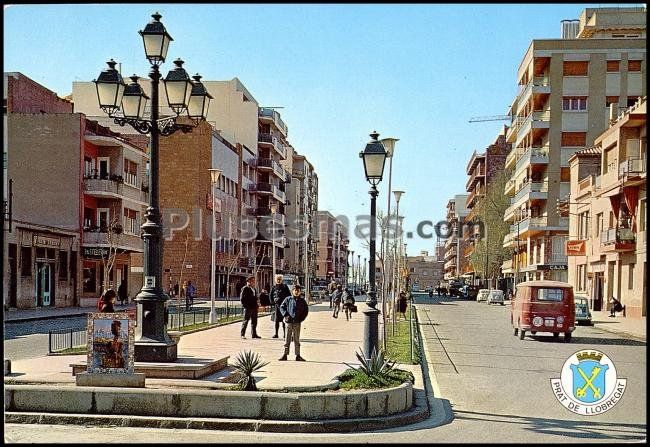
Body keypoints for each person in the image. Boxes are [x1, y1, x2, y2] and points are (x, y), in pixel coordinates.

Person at [278, 284, 309, 361]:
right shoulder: (288, 299)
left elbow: (306, 311)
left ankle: (298, 355)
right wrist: (285, 315)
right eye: (295, 290)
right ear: (292, 291)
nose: (296, 292)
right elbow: (282, 307)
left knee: (296, 339)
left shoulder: (302, 301)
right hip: (289, 322)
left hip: (297, 323)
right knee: (287, 339)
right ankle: (285, 354)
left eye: (298, 291)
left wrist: (301, 318)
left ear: (300, 292)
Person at [270, 274, 291, 338]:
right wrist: (273, 302)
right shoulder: (273, 287)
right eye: (277, 279)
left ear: (282, 280)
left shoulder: (285, 287)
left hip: (284, 306)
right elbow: (270, 296)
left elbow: (289, 295)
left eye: (280, 279)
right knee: (276, 320)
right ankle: (276, 334)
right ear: (276, 280)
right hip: (277, 306)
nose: (278, 280)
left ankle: (285, 334)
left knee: (284, 320)